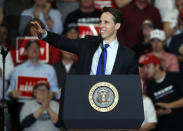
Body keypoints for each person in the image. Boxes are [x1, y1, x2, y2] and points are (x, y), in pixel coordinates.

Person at [30, 7, 139, 75]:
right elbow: (63, 41)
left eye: (106, 22)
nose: (101, 25)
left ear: (117, 26)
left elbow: (131, 87)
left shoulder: (128, 55)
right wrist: (44, 33)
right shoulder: (87, 44)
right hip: (85, 101)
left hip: (112, 107)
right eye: (100, 21)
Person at [139, 54, 183, 131]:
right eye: (144, 67)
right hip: (163, 127)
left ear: (157, 66)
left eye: (148, 67)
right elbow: (152, 113)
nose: (145, 70)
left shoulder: (175, 77)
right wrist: (159, 112)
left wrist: (169, 105)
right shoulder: (150, 87)